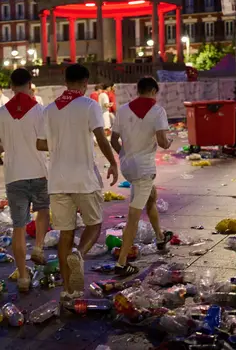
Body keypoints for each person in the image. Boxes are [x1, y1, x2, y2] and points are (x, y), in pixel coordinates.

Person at [36, 64, 118, 300]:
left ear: (65, 81)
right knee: (94, 224)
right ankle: (80, 254)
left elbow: (40, 144)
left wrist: (61, 142)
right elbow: (101, 137)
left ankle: (67, 291)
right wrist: (113, 163)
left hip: (58, 180)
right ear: (85, 83)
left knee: (65, 234)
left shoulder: (49, 109)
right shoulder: (89, 105)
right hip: (83, 178)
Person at [0, 68, 51, 292]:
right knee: (43, 210)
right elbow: (46, 143)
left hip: (14, 176)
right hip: (39, 172)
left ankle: (23, 276)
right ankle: (39, 247)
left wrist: (10, 147)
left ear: (11, 87)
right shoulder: (40, 111)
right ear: (30, 84)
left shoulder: (1, 113)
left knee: (19, 227)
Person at [109, 77, 173, 276]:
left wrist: (124, 155)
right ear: (153, 91)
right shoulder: (157, 111)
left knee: (150, 197)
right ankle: (122, 262)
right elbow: (163, 142)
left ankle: (160, 236)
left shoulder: (122, 110)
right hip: (144, 168)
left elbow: (113, 140)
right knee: (133, 218)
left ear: (138, 90)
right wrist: (169, 141)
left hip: (128, 166)